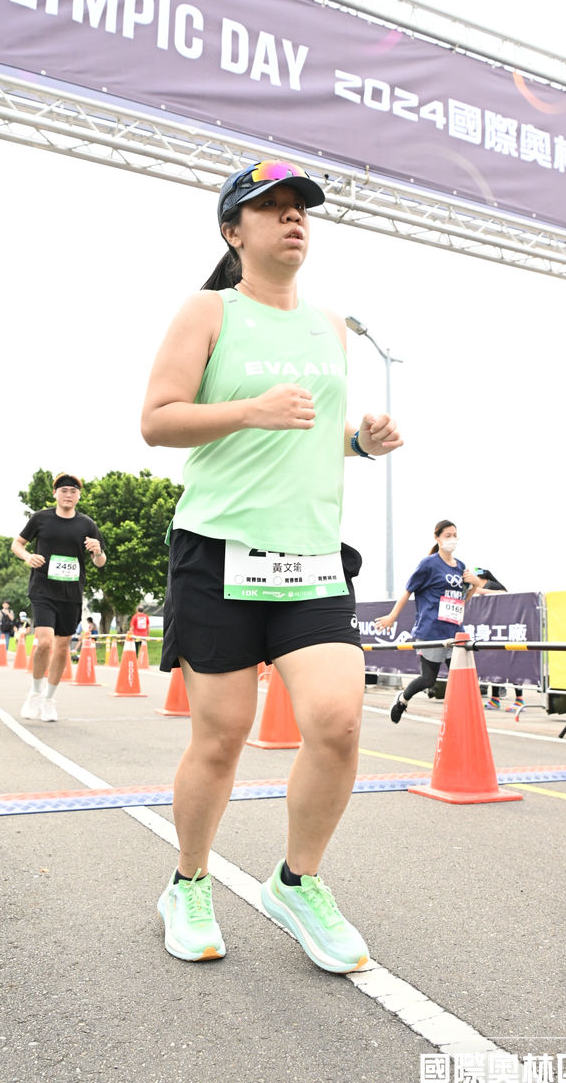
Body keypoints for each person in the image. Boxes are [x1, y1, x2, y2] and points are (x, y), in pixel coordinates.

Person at [141, 157, 402, 971]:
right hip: (218, 550)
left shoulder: (330, 327)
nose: (293, 219)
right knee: (221, 738)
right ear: (234, 231)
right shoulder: (208, 311)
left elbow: (313, 433)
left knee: (338, 721)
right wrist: (248, 410)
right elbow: (157, 420)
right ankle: (187, 883)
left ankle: (296, 881)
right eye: (272, 208)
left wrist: (360, 441)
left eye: (301, 209)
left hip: (310, 555)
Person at [10, 472, 106, 723]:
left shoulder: (87, 524)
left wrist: (97, 552)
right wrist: (28, 557)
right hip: (42, 589)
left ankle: (49, 699)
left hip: (71, 593)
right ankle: (34, 692)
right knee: (44, 643)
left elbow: (99, 562)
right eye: (64, 490)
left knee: (62, 647)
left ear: (79, 496)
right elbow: (17, 544)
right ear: (55, 493)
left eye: (73, 491)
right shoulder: (40, 518)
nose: (68, 495)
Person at [375, 521, 466, 722]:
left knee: (461, 679)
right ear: (437, 538)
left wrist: (474, 585)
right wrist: (392, 616)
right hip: (431, 630)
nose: (452, 539)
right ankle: (402, 700)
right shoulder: (429, 564)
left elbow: (462, 599)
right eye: (448, 535)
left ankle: (458, 719)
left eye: (455, 535)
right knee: (428, 679)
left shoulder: (461, 567)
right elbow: (408, 590)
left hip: (455, 632)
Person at [462, 566, 524, 712]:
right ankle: (495, 699)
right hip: (492, 633)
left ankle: (519, 700)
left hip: (505, 633)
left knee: (512, 666)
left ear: (483, 579)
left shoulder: (492, 586)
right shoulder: (479, 590)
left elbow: (505, 593)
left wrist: (479, 590)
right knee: (495, 667)